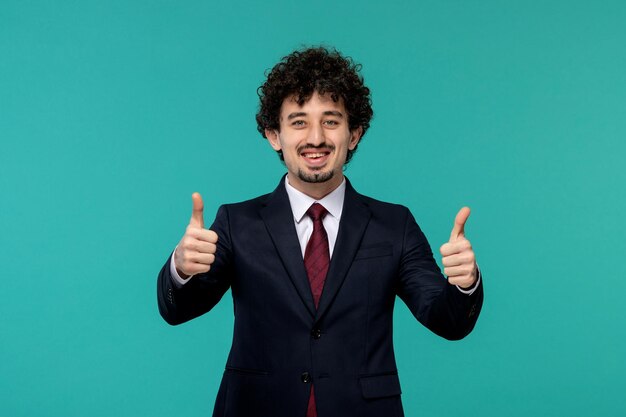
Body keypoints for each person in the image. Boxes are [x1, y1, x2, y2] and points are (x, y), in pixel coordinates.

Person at [157, 46, 483, 417]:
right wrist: (181, 269)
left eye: (331, 121)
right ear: (273, 135)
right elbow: (178, 309)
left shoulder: (395, 225)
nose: (316, 138)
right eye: (298, 121)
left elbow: (448, 320)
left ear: (354, 133)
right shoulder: (237, 222)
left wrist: (464, 283)